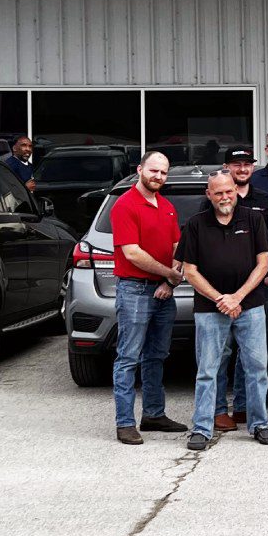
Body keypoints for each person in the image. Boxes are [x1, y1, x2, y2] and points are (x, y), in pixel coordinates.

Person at [176, 172, 268, 450]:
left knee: (257, 368)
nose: (224, 197)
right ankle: (202, 428)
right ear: (209, 195)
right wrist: (220, 298)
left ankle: (259, 423)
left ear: (236, 191)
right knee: (208, 370)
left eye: (229, 192)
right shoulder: (196, 224)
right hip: (210, 308)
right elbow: (190, 271)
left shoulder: (253, 218)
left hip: (251, 305)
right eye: (218, 193)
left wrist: (238, 297)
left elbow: (263, 264)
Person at [109, 152, 187, 444]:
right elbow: (132, 253)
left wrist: (170, 278)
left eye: (164, 173)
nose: (158, 176)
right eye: (154, 170)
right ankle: (125, 423)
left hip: (164, 292)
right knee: (128, 358)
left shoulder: (167, 206)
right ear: (140, 169)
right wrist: (168, 272)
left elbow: (178, 245)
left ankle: (154, 414)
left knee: (157, 356)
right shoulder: (125, 205)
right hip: (135, 290)